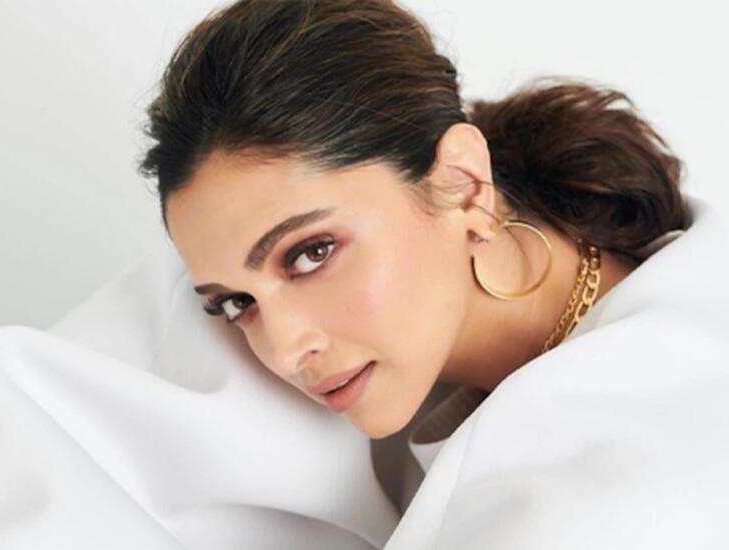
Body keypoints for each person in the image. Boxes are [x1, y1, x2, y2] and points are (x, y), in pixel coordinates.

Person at [137, 0, 729, 546]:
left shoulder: (626, 483)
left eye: (312, 253)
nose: (286, 350)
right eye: (236, 303)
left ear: (464, 183)